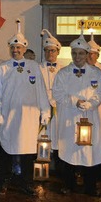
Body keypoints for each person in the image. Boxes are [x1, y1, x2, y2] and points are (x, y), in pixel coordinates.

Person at [0, 21, 50, 195]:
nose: (15, 50)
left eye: (18, 47)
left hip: (29, 117)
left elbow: (41, 90)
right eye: (13, 47)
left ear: (24, 49)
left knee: (27, 151)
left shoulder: (34, 67)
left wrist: (45, 111)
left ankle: (26, 182)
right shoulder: (2, 68)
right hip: (9, 116)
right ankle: (4, 180)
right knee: (7, 150)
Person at [52, 31, 101, 196]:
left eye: (81, 53)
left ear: (87, 54)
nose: (78, 56)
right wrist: (75, 101)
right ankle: (69, 184)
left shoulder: (96, 73)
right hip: (69, 116)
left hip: (90, 117)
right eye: (74, 53)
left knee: (90, 152)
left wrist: (91, 103)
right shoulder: (63, 74)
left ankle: (91, 186)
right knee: (69, 149)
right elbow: (58, 93)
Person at [39, 29, 63, 170]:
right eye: (47, 51)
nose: (50, 54)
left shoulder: (64, 69)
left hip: (59, 108)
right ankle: (41, 169)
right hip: (42, 108)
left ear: (58, 52)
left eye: (53, 51)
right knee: (42, 138)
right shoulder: (37, 68)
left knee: (59, 139)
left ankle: (60, 170)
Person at [86, 30, 101, 163]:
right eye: (87, 53)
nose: (89, 56)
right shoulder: (80, 70)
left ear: (97, 55)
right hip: (85, 110)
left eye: (92, 53)